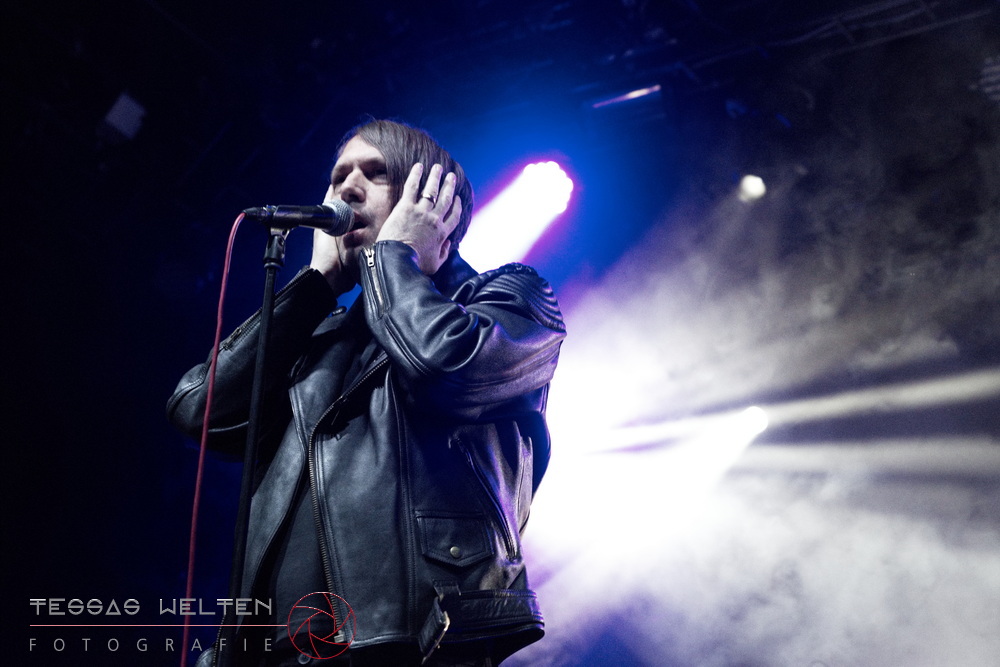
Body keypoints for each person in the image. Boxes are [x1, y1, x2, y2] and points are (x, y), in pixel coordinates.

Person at [167, 119, 566, 666]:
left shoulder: (509, 299)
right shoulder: (317, 335)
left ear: (433, 200)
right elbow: (201, 411)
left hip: (411, 641)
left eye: (374, 174)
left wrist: (395, 255)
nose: (346, 189)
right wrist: (313, 288)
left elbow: (442, 365)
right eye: (338, 177)